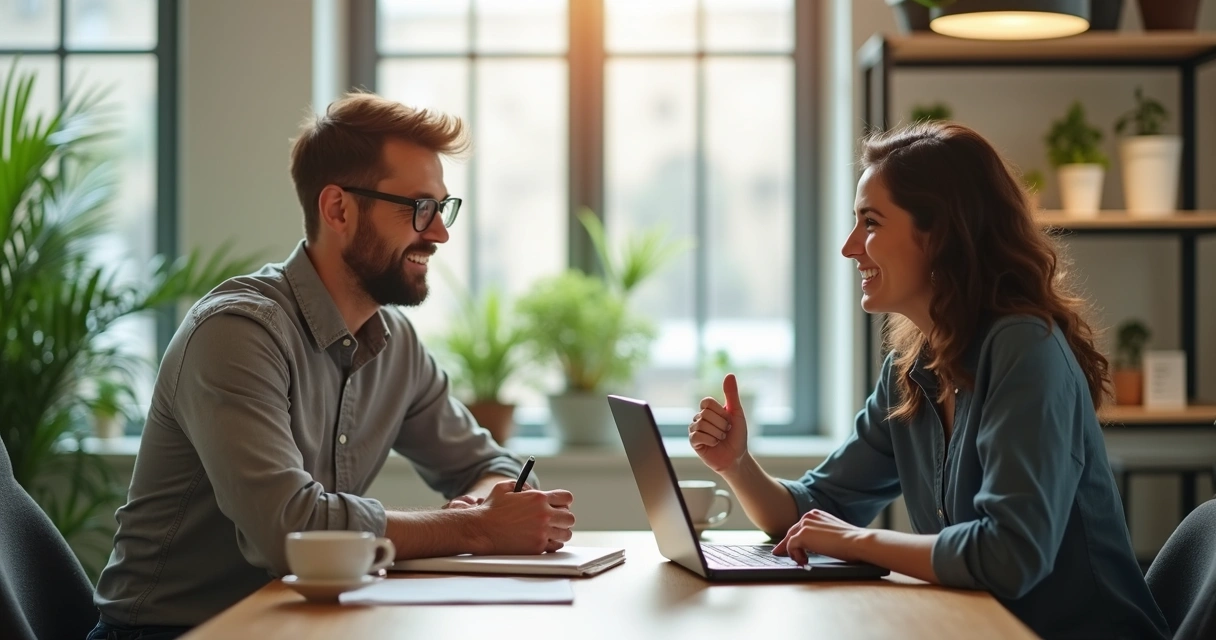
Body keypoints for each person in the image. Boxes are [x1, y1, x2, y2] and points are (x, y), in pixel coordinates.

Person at [88, 92, 575, 640]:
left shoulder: (397, 345)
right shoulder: (237, 334)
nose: (439, 232)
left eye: (443, 207)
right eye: (419, 208)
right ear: (339, 209)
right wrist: (476, 529)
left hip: (301, 624)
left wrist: (488, 507)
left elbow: (489, 466)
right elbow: (290, 532)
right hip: (176, 631)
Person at [689, 121, 1169, 639]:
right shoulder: (909, 369)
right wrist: (737, 464)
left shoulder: (1023, 349)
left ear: (941, 235)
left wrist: (857, 542)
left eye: (870, 223)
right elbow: (811, 513)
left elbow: (1010, 556)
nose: (850, 247)